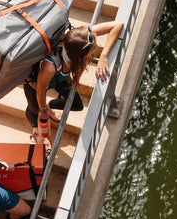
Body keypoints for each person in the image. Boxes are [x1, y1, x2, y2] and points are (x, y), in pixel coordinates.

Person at [23, 21, 124, 149]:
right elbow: (40, 91)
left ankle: (50, 107)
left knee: (77, 105)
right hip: (36, 84)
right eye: (93, 49)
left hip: (60, 77)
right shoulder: (50, 66)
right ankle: (37, 131)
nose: (96, 47)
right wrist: (42, 111)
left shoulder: (81, 38)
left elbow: (117, 25)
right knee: (34, 109)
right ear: (80, 55)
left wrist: (104, 56)